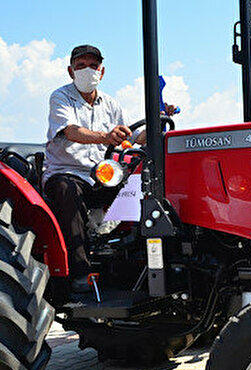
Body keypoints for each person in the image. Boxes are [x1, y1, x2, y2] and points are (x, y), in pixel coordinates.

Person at [43, 44, 176, 292]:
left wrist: (157, 121)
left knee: (144, 185)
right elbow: (71, 131)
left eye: (93, 66)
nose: (87, 71)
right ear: (71, 71)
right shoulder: (60, 97)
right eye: (80, 66)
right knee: (67, 191)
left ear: (101, 72)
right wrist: (106, 137)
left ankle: (137, 259)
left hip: (103, 175)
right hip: (68, 171)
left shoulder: (110, 103)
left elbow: (135, 136)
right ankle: (79, 273)